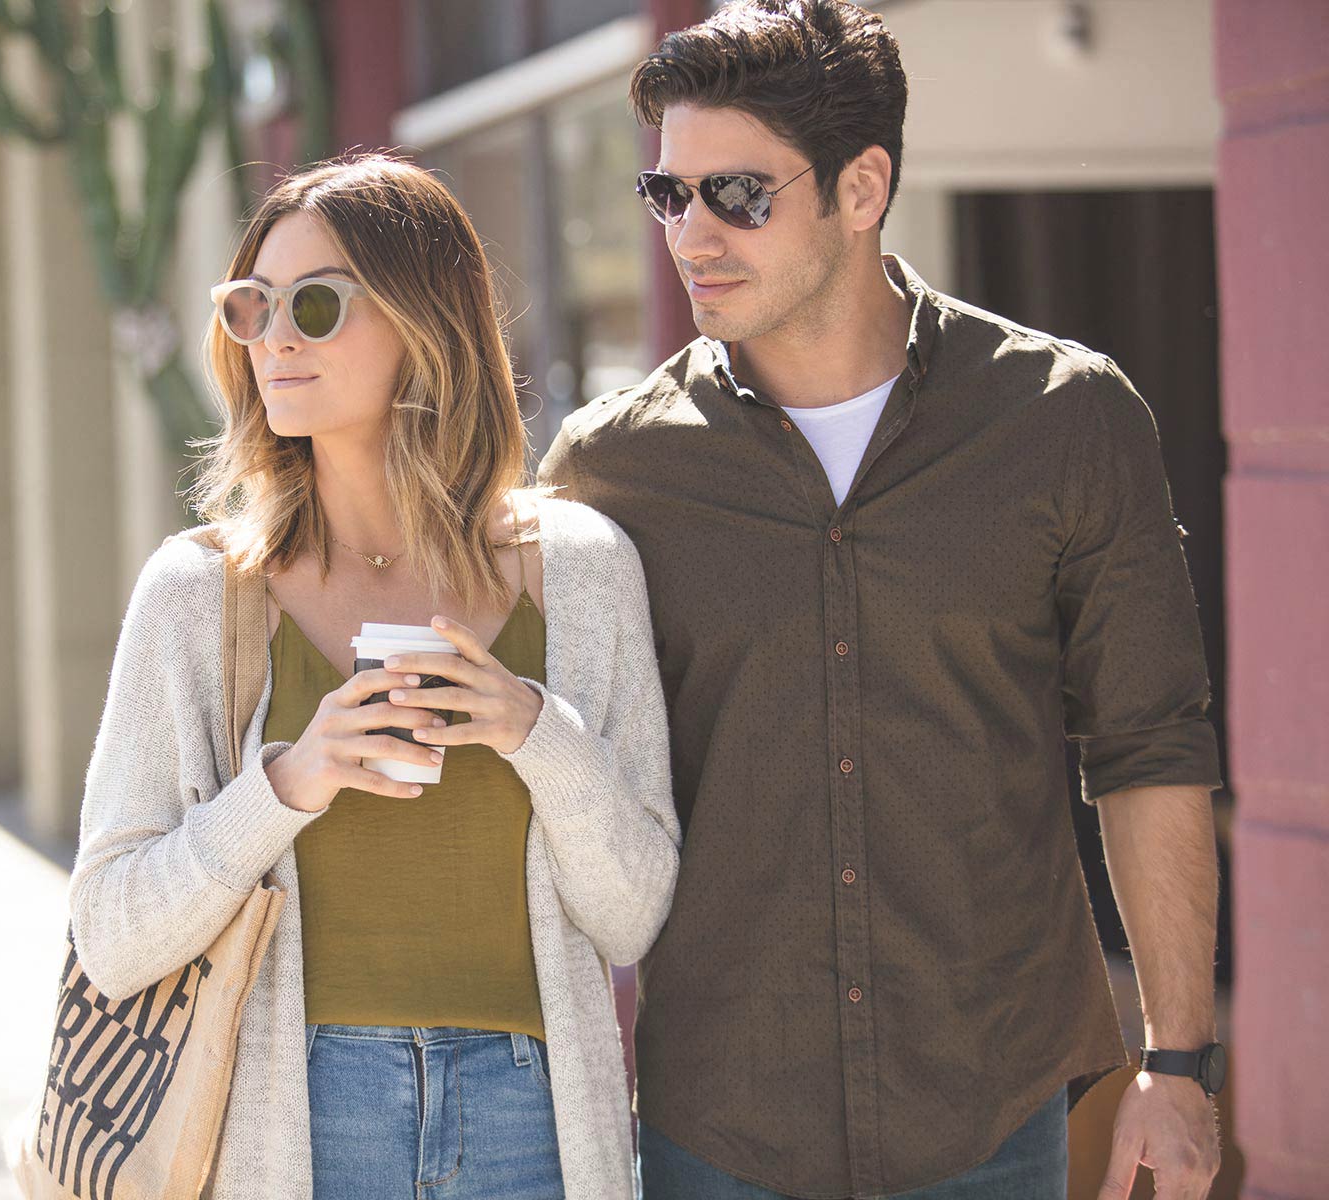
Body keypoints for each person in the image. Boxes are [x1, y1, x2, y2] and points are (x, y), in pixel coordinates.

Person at [538, 3, 1225, 1199]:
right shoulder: (610, 471)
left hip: (993, 1108)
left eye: (737, 194)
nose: (690, 234)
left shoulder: (1066, 422)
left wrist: (1177, 1061)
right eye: (668, 196)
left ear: (862, 189)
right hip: (720, 1122)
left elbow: (1147, 746)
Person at [67, 153, 681, 1200]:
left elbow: (631, 918)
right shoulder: (200, 593)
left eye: (314, 304)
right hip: (298, 1115)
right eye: (250, 307)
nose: (274, 339)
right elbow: (113, 936)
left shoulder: (579, 571)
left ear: (424, 320)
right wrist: (289, 783)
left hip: (530, 1117)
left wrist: (536, 729)